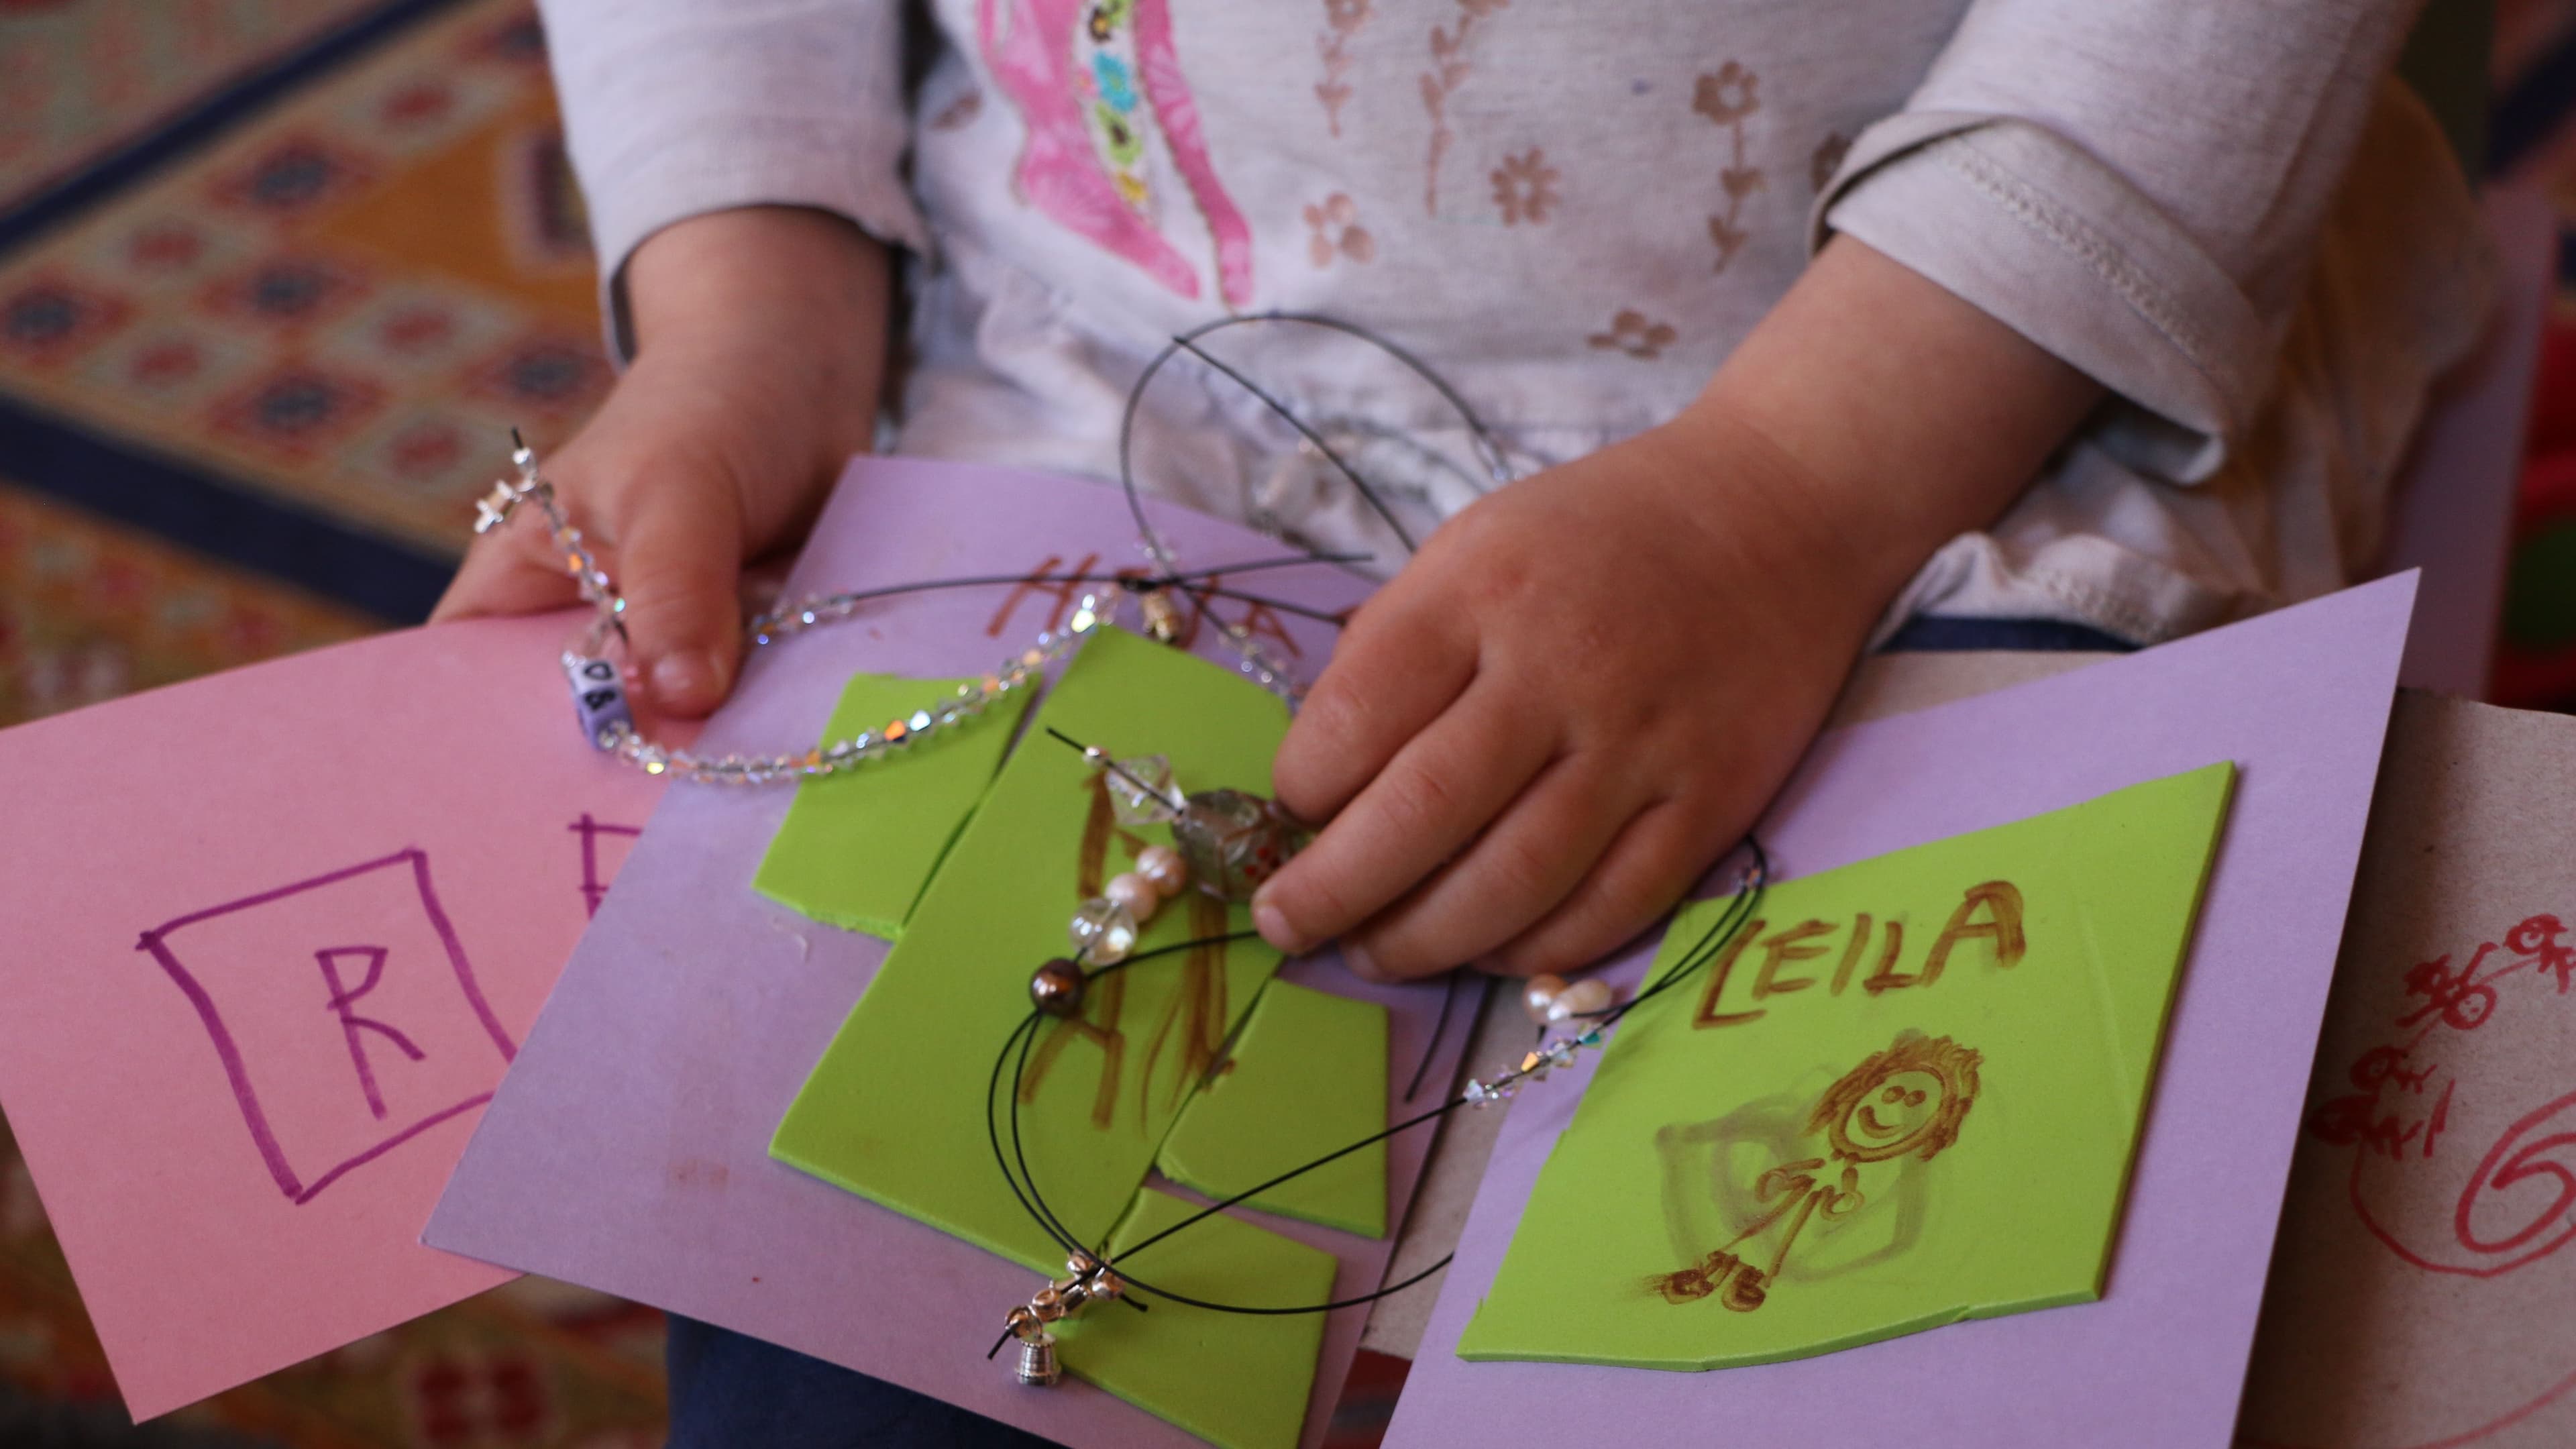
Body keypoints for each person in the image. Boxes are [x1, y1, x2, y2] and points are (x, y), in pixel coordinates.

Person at [433, 1, 2491, 1440]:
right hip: (1108, 382)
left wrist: (1790, 492)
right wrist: (749, 303)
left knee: (1894, 1356)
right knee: (869, 1368)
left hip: (1965, 421)